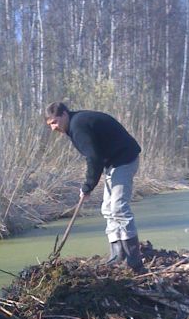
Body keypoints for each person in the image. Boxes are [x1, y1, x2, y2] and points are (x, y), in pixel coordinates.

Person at [45, 101, 143, 270]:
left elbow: (93, 158)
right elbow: (96, 154)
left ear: (64, 115)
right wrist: (89, 184)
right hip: (113, 162)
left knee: (119, 207)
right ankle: (117, 255)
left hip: (124, 159)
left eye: (55, 122)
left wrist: (88, 186)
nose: (53, 128)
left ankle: (134, 260)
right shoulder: (75, 124)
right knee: (107, 208)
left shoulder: (78, 126)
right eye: (50, 125)